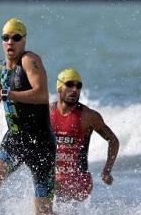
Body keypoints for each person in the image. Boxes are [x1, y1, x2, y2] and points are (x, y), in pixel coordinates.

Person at [0, 18, 63, 215]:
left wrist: (5, 94)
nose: (10, 42)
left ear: (24, 40)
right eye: (6, 38)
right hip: (15, 139)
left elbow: (41, 95)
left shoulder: (29, 61)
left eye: (16, 37)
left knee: (43, 214)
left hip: (41, 144)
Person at [50, 68, 119, 202]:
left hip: (79, 181)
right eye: (70, 84)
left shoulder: (88, 116)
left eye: (78, 86)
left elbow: (113, 140)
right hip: (54, 178)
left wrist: (107, 170)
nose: (75, 90)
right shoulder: (46, 113)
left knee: (48, 189)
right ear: (59, 87)